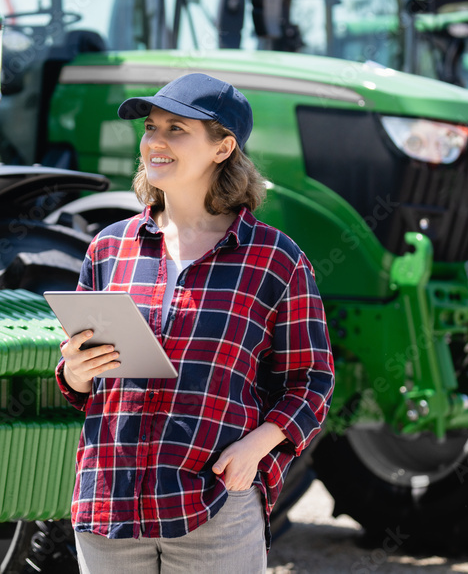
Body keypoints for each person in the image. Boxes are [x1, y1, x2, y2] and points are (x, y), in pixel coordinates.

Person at [55, 73, 334, 573]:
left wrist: (257, 447)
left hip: (215, 504)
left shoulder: (275, 260)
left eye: (176, 129)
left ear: (223, 147)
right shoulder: (108, 248)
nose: (155, 142)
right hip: (109, 505)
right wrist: (75, 372)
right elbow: (82, 384)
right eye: (150, 127)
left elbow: (311, 381)